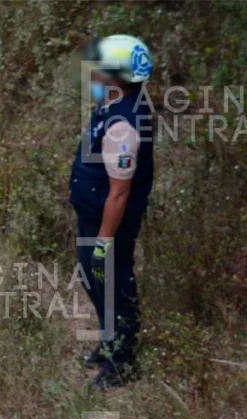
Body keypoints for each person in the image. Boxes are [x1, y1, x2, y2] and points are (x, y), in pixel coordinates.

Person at [69, 35, 154, 391]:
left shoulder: (125, 125)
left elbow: (119, 193)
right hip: (93, 213)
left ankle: (121, 365)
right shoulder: (113, 104)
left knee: (115, 284)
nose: (94, 74)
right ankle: (109, 343)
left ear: (118, 75)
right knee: (93, 278)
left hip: (109, 222)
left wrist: (105, 239)